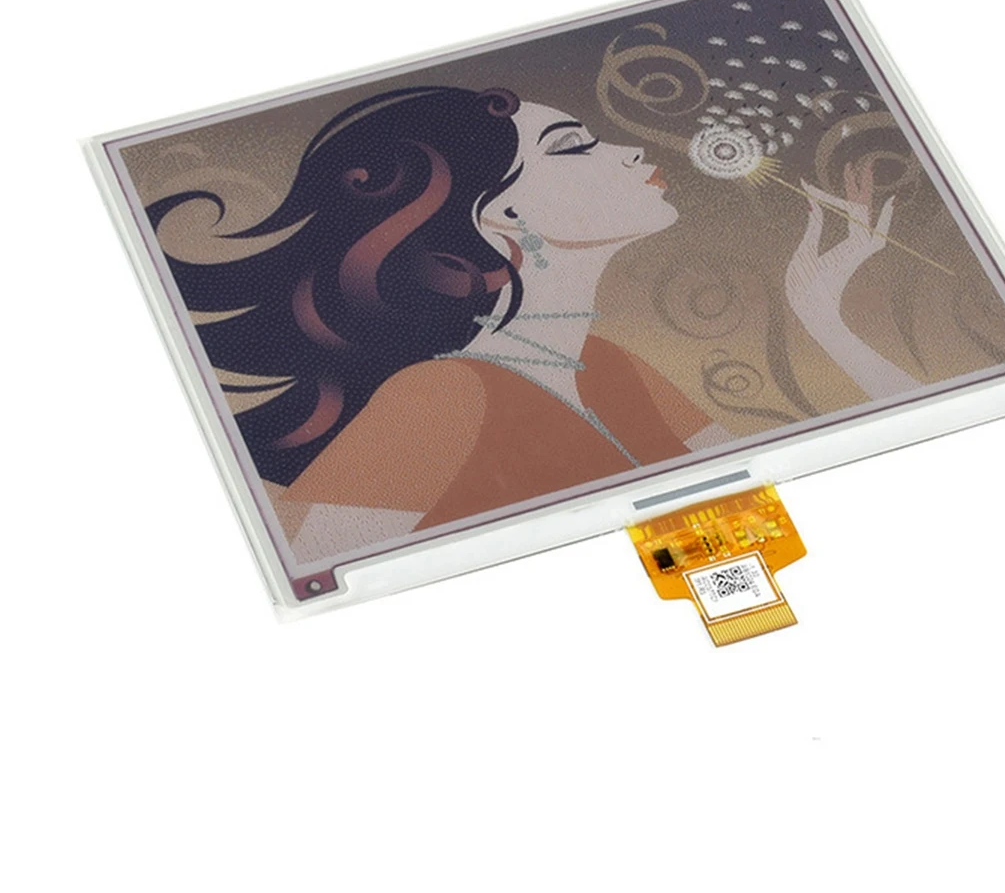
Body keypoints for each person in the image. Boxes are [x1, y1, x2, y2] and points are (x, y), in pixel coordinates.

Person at [151, 84, 917, 561]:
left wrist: (824, 317)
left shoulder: (609, 365)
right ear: (504, 217)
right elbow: (320, 575)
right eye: (573, 146)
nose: (627, 151)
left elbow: (754, 504)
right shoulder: (439, 396)